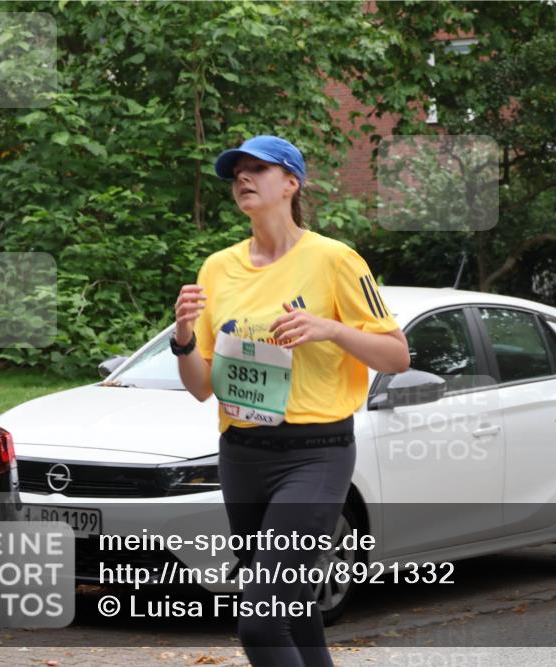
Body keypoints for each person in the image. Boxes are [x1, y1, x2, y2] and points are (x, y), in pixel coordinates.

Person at [172, 135, 410, 667]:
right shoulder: (218, 268)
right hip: (241, 454)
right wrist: (184, 338)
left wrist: (329, 328)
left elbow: (396, 356)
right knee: (295, 608)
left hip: (315, 454)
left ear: (292, 183)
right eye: (237, 172)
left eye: (258, 169)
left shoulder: (334, 260)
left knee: (260, 622)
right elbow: (200, 385)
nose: (243, 179)